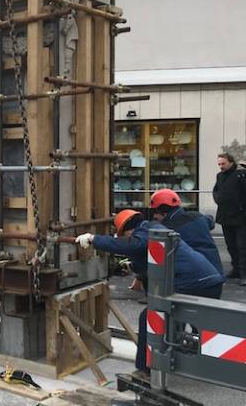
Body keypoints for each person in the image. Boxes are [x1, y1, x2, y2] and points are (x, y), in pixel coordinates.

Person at [76, 210, 225, 375]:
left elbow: (133, 245)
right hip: (209, 281)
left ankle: (145, 370)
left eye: (125, 235)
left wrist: (93, 239)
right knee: (181, 321)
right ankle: (177, 359)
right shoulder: (153, 230)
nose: (126, 238)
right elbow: (150, 259)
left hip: (194, 283)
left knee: (149, 317)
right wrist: (131, 267)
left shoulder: (148, 231)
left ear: (128, 229)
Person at [151, 189, 223, 275]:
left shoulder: (167, 229)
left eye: (155, 212)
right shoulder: (197, 216)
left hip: (195, 277)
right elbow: (210, 221)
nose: (154, 216)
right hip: (217, 272)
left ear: (163, 212)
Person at [213, 153, 246, 280]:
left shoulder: (241, 174)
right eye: (219, 164)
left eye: (223, 164)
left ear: (231, 163)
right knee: (231, 245)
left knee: (242, 246)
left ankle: (244, 273)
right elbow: (216, 190)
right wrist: (219, 200)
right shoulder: (219, 176)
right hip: (225, 216)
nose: (221, 166)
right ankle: (236, 269)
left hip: (240, 216)